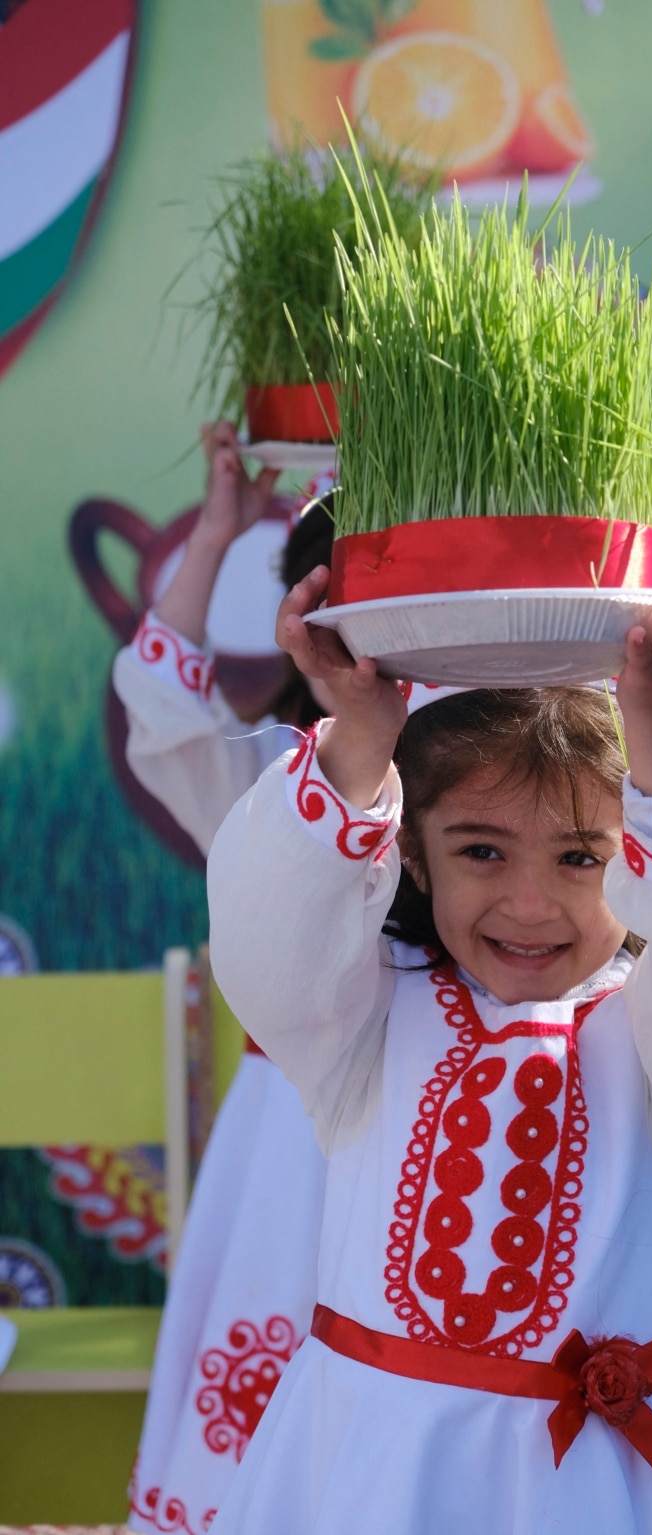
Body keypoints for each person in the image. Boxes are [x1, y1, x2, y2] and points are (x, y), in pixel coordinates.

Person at [205, 568, 652, 1535]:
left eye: (578, 857)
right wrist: (357, 734)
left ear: (635, 858)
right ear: (413, 854)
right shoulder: (368, 1021)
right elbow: (271, 929)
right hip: (365, 1478)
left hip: (583, 1494)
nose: (528, 903)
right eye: (481, 851)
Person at [112, 422, 335, 1535]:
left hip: (444, 1140)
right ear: (303, 628)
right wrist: (214, 534)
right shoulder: (267, 781)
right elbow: (162, 702)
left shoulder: (492, 792)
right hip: (286, 1153)